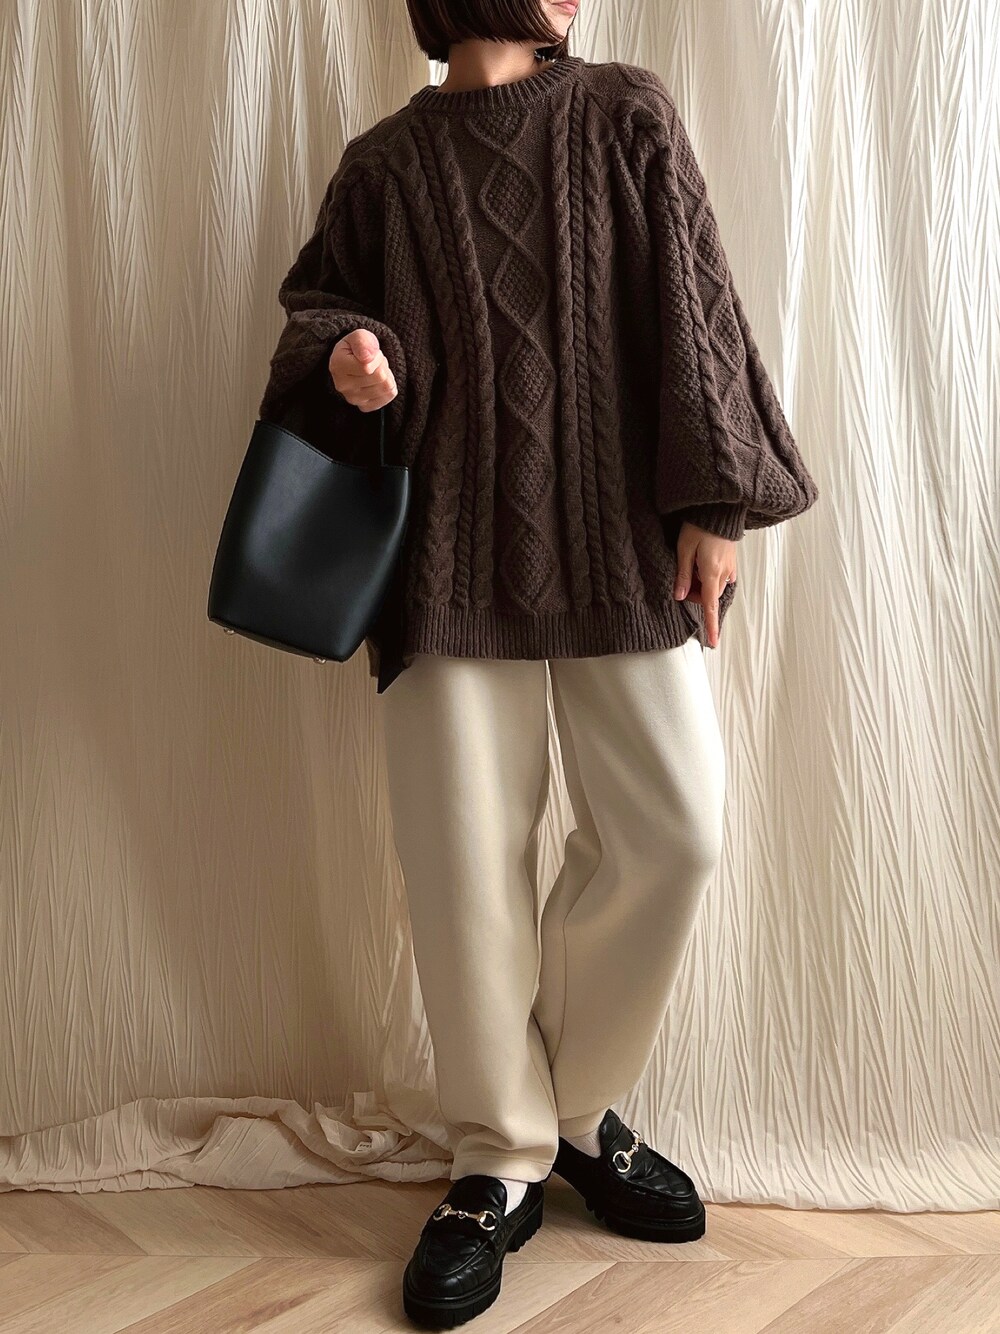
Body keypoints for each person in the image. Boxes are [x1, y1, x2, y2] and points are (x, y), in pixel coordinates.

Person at [257, 1, 819, 1326]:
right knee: (464, 871)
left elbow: (694, 300)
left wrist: (715, 504)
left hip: (622, 546)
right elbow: (312, 318)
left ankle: (572, 1106)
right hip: (445, 565)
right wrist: (349, 358)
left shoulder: (625, 113)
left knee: (676, 829)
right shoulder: (384, 165)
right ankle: (495, 1157)